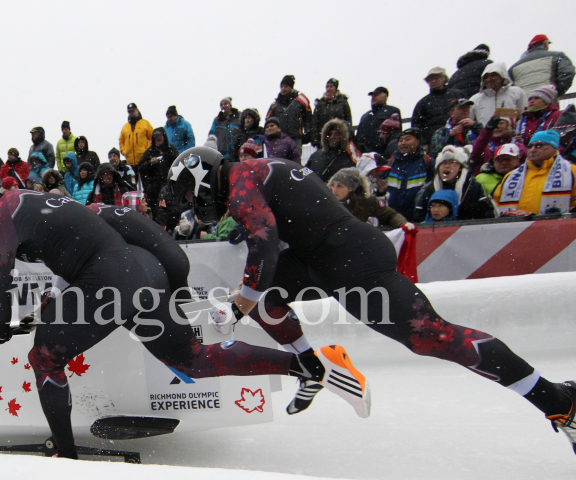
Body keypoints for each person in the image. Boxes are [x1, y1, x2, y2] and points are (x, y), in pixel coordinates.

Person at [167, 145, 576, 448]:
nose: (191, 203)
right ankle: (313, 367)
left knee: (431, 337)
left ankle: (559, 402)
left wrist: (239, 308)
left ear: (200, 178)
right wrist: (247, 300)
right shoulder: (253, 170)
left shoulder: (241, 181)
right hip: (323, 257)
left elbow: (264, 242)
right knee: (260, 299)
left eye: (188, 194)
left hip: (349, 260)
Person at [0, 186, 361, 459]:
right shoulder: (43, 202)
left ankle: (65, 454)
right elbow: (106, 242)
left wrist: (0, 324)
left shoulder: (4, 211)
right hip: (138, 275)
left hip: (107, 281)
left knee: (44, 357)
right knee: (192, 360)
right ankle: (310, 364)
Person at [492, 130, 575, 215]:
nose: (532, 150)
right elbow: (496, 208)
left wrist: (533, 218)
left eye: (539, 145)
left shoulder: (572, 172)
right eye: (529, 146)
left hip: (556, 227)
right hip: (517, 227)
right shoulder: (510, 176)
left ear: (553, 148)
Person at [411, 146, 495, 222]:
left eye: (452, 162)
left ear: (461, 167)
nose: (447, 166)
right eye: (443, 163)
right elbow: (419, 217)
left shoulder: (473, 187)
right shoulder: (429, 189)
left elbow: (485, 215)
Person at [328, 168, 407, 228]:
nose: (334, 190)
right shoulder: (326, 201)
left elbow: (391, 215)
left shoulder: (367, 201)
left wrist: (402, 224)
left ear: (351, 188)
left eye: (340, 186)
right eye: (332, 185)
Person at [412, 67, 465, 152]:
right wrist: (424, 142)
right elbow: (417, 125)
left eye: (436, 78)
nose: (433, 81)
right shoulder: (423, 103)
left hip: (460, 136)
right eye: (430, 79)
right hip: (435, 143)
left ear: (443, 79)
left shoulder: (457, 94)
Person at [386, 128, 433, 219]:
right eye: (400, 140)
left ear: (417, 142)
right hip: (393, 215)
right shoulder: (392, 163)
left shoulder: (427, 162)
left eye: (407, 139)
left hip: (418, 215)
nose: (403, 143)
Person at [508, 35, 575, 98]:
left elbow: (508, 86)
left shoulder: (513, 67)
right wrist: (555, 92)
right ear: (545, 44)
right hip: (546, 101)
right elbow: (568, 73)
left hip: (523, 106)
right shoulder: (558, 56)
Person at [469, 62, 527, 127]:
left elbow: (524, 116)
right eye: (486, 77)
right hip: (485, 135)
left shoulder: (516, 92)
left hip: (511, 135)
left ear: (502, 76)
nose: (489, 79)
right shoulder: (475, 99)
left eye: (493, 75)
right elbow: (469, 121)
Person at [137, 127, 177, 218]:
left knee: (171, 212)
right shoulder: (149, 152)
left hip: (169, 187)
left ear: (164, 136)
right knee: (156, 214)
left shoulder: (171, 150)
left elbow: (179, 164)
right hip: (154, 190)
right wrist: (150, 163)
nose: (158, 138)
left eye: (160, 135)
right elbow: (140, 168)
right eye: (156, 136)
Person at [307, 119, 361, 183]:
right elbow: (306, 175)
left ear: (344, 136)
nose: (332, 137)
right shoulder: (316, 156)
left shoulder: (351, 157)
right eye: (330, 134)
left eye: (336, 134)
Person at [266, 75, 312, 145]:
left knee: (296, 156)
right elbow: (268, 120)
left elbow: (308, 119)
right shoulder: (274, 105)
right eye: (282, 87)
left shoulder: (301, 103)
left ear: (291, 87)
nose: (283, 89)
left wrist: (307, 133)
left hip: (296, 138)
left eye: (286, 86)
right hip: (279, 139)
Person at [356, 87, 402, 155]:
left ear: (385, 97)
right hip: (365, 154)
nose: (373, 98)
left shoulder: (392, 111)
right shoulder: (366, 115)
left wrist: (383, 143)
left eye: (376, 95)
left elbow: (396, 133)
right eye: (372, 96)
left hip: (383, 152)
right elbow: (359, 135)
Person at [311, 78, 353, 145]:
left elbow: (348, 120)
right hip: (324, 138)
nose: (329, 88)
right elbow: (315, 122)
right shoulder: (320, 103)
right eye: (327, 87)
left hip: (340, 137)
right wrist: (315, 138)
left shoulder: (343, 102)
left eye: (331, 86)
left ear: (336, 88)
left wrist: (349, 135)